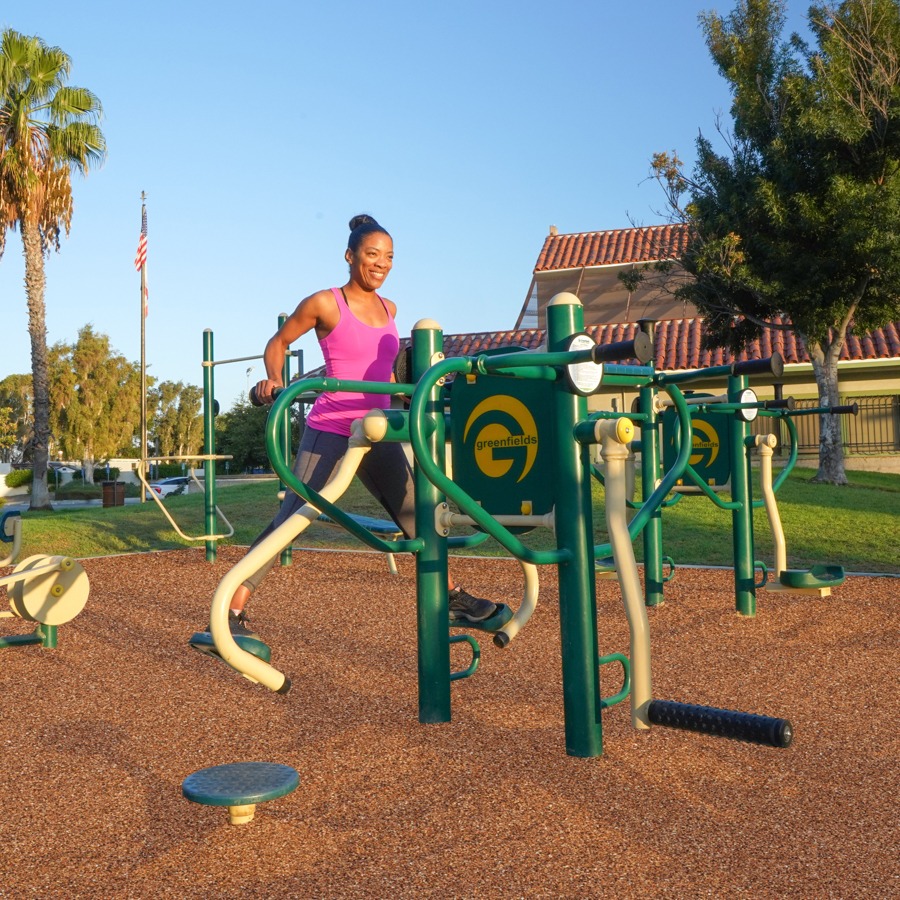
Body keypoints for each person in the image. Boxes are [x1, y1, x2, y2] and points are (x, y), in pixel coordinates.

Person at [207, 214, 498, 644]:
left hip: (379, 429)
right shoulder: (325, 303)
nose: (381, 263)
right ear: (351, 256)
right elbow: (279, 343)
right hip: (332, 426)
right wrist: (274, 379)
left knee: (415, 512)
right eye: (372, 254)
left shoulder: (390, 309)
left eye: (389, 257)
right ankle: (230, 607)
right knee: (294, 517)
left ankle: (452, 595)